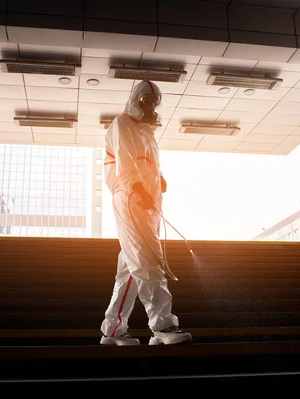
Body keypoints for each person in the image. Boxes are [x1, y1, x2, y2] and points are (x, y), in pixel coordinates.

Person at [99, 80, 192, 346]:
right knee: (149, 261)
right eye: (147, 102)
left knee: (130, 268)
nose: (151, 107)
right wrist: (139, 189)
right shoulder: (123, 124)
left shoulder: (146, 132)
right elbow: (127, 164)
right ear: (136, 100)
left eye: (154, 103)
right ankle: (163, 327)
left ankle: (113, 330)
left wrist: (158, 179)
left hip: (147, 203)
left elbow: (147, 163)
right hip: (131, 200)